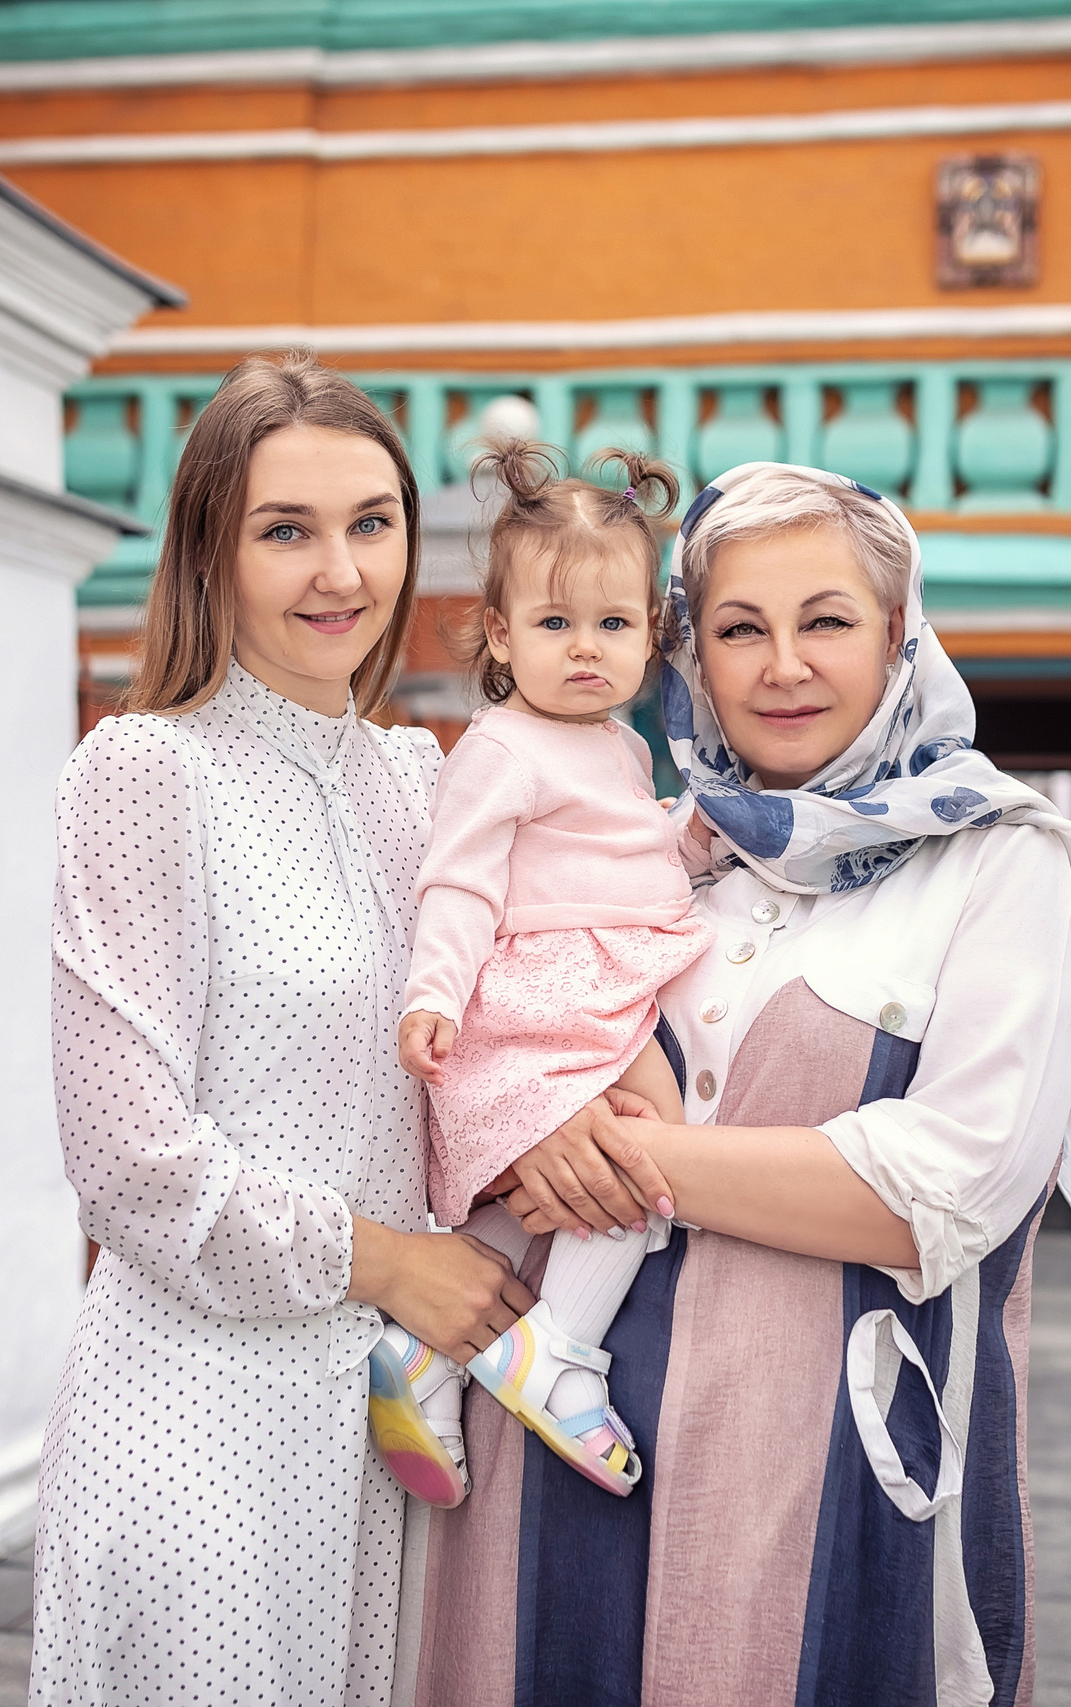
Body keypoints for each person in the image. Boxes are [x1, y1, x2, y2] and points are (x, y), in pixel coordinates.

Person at [409, 462, 1071, 1707]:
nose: (783, 666)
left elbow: (951, 1186)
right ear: (690, 652)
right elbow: (480, 1037)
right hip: (554, 1456)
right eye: (737, 629)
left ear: (896, 631)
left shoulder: (995, 860)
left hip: (822, 1467)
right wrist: (521, 1116)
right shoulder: (659, 845)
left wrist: (614, 1155)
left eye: (825, 620)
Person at [30, 353, 535, 1707]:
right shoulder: (147, 770)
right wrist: (395, 1263)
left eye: (372, 522)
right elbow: (130, 1165)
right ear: (210, 551)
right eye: (286, 531)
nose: (341, 573)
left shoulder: (419, 782)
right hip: (196, 1423)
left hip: (384, 1429)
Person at [371, 439, 709, 1506]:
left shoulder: (619, 747)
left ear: (649, 635)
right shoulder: (503, 748)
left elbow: (618, 847)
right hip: (545, 994)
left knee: (539, 1198)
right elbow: (459, 880)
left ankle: (428, 1360)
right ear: (501, 634)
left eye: (613, 625)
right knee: (646, 1165)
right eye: (555, 624)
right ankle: (558, 1355)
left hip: (597, 979)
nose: (586, 649)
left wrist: (689, 836)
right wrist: (433, 993)